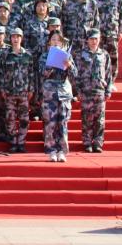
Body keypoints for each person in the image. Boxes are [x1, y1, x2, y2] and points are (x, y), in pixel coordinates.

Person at [75, 28, 114, 153]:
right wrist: (78, 91)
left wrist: (108, 90)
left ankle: (98, 143)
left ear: (99, 39)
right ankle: (87, 142)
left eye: (96, 39)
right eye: (91, 39)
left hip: (99, 91)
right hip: (86, 91)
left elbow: (108, 74)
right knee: (86, 118)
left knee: (100, 119)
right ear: (87, 40)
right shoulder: (80, 55)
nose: (93, 41)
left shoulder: (104, 55)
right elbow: (76, 74)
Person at [40, 30, 76, 162]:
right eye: (53, 39)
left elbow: (75, 75)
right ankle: (51, 150)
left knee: (63, 122)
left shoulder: (67, 56)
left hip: (64, 93)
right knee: (50, 122)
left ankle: (62, 151)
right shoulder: (44, 56)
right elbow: (41, 74)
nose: (56, 42)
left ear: (62, 42)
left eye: (58, 40)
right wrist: (50, 66)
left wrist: (69, 66)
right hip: (50, 93)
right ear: (49, 42)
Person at [95, 0, 122, 86]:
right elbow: (93, 16)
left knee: (113, 58)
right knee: (100, 58)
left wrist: (121, 31)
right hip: (100, 34)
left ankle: (111, 82)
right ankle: (101, 80)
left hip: (112, 33)